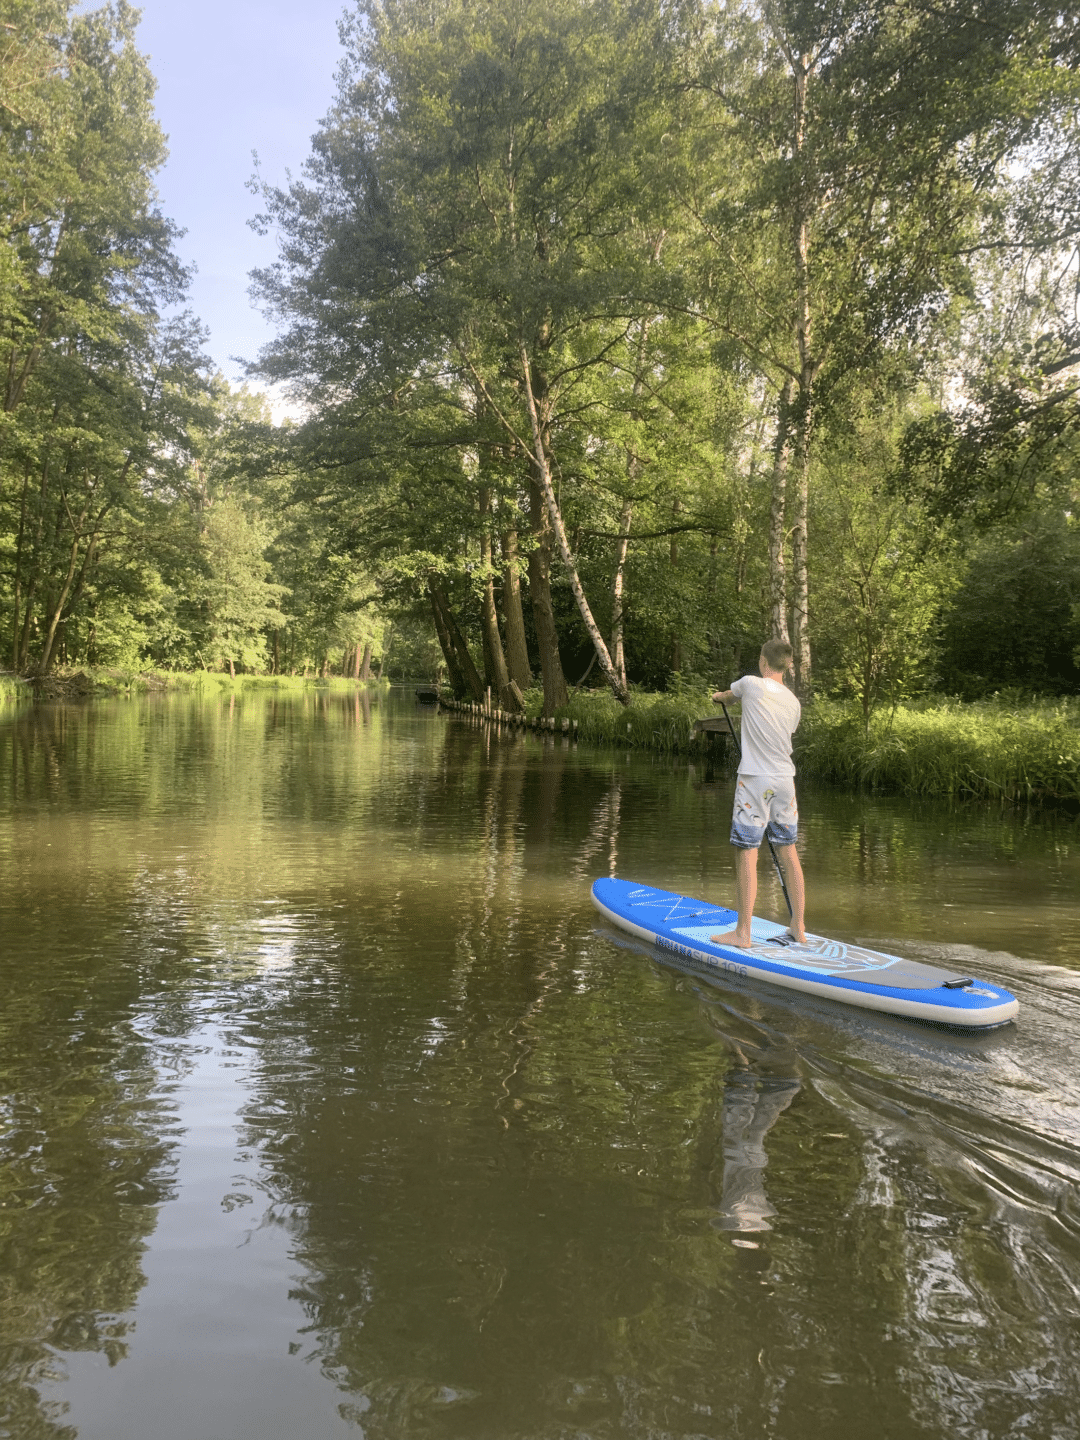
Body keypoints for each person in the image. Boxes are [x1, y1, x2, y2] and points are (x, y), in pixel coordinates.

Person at [709, 639, 807, 948]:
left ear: (764, 662)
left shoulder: (750, 684)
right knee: (789, 851)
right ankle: (798, 926)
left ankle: (743, 933)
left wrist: (716, 697)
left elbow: (726, 697)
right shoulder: (793, 702)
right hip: (785, 782)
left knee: (747, 853)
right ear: (787, 666)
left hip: (754, 781)